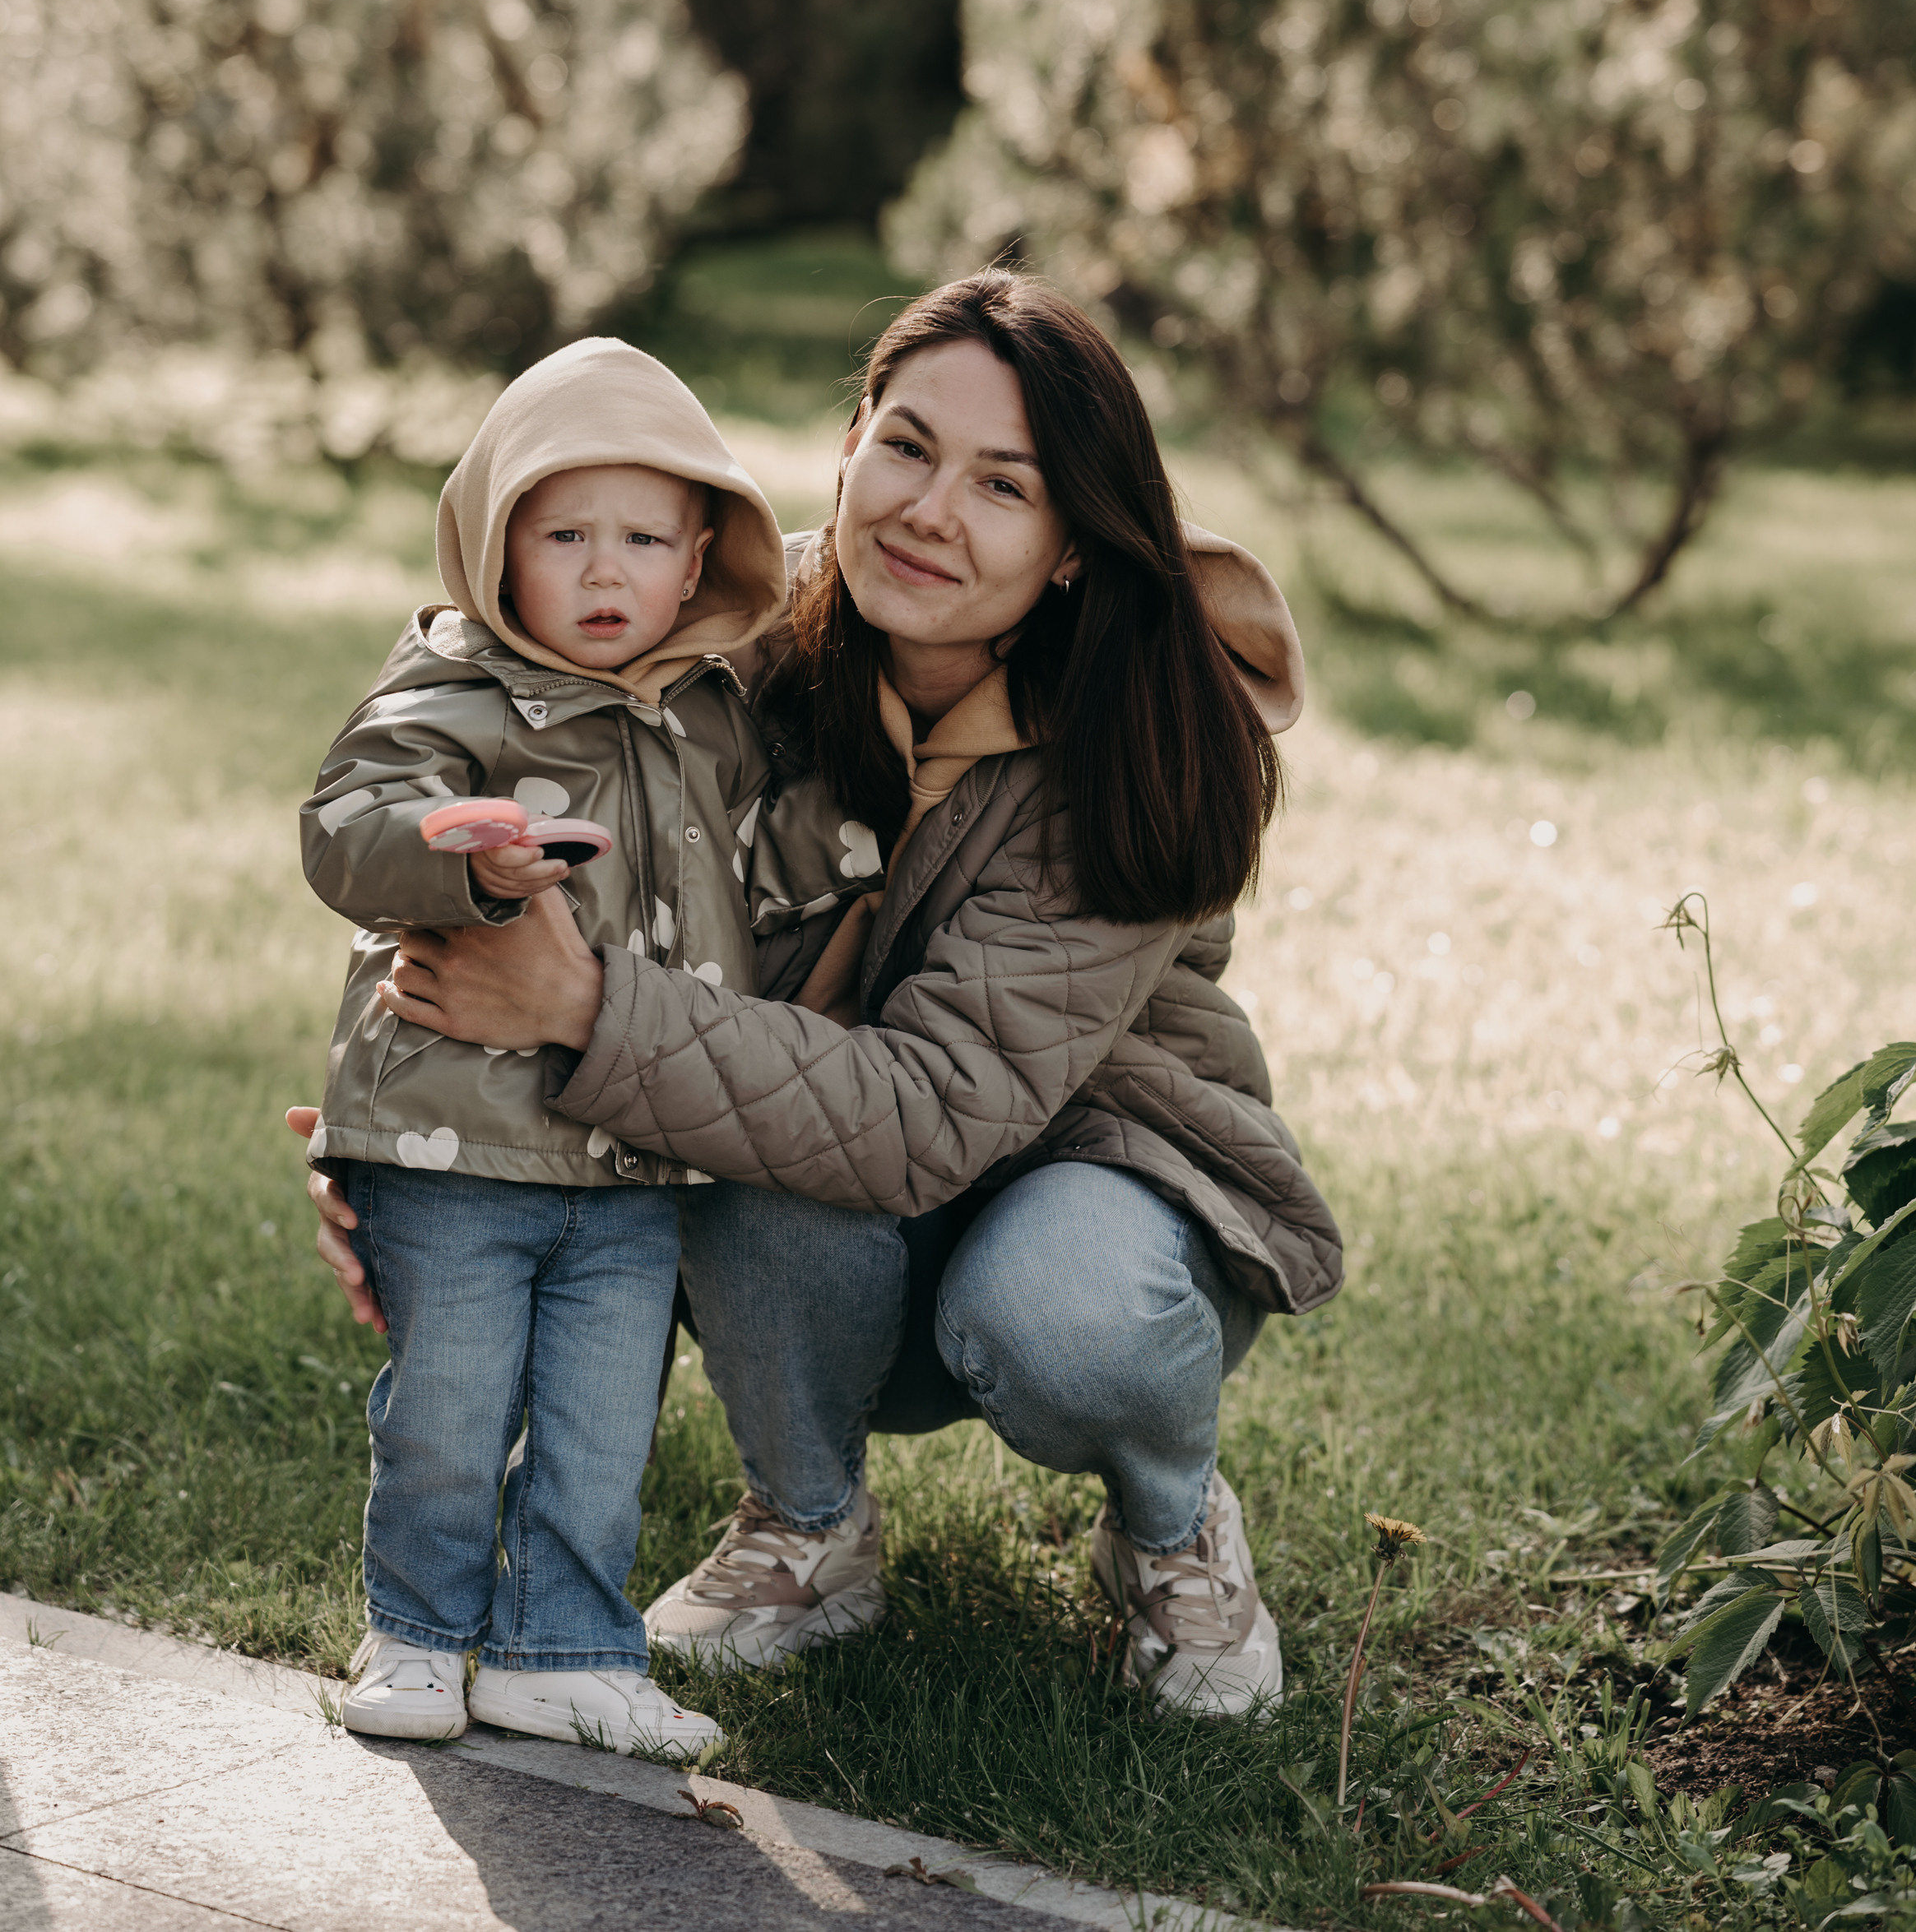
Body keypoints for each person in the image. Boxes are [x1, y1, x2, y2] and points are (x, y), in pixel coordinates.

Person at [302, 273, 1342, 1719]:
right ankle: (808, 1523)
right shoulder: (714, 642)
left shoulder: (1136, 735)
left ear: (1065, 549)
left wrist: (585, 1008)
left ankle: (1171, 1530)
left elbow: (920, 1112)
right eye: (906, 446)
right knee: (743, 1135)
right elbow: (477, 819)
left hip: (1092, 1179)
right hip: (832, 1208)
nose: (928, 510)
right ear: (848, 444)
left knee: (1061, 1309)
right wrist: (411, 1149)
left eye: (1003, 483)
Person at [299, 336, 856, 1754]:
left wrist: (855, 833)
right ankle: (419, 1634)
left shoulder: (713, 713)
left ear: (697, 561)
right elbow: (343, 824)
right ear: (497, 544)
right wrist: (455, 856)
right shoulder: (455, 687)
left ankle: (562, 1647)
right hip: (456, 1136)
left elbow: (762, 861)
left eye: (642, 540)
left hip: (631, 1154)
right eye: (564, 535)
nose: (605, 574)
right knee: (449, 1405)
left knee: (603, 1427)